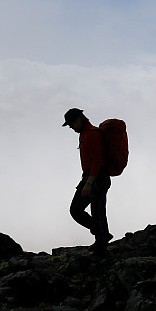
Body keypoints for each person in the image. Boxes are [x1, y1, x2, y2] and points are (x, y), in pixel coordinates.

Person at [63, 108, 113, 255]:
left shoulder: (92, 134)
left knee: (97, 212)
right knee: (77, 210)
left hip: (97, 178)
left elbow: (98, 160)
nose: (71, 128)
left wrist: (89, 183)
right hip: (90, 177)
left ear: (78, 119)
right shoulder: (85, 134)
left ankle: (101, 247)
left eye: (71, 124)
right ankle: (102, 235)